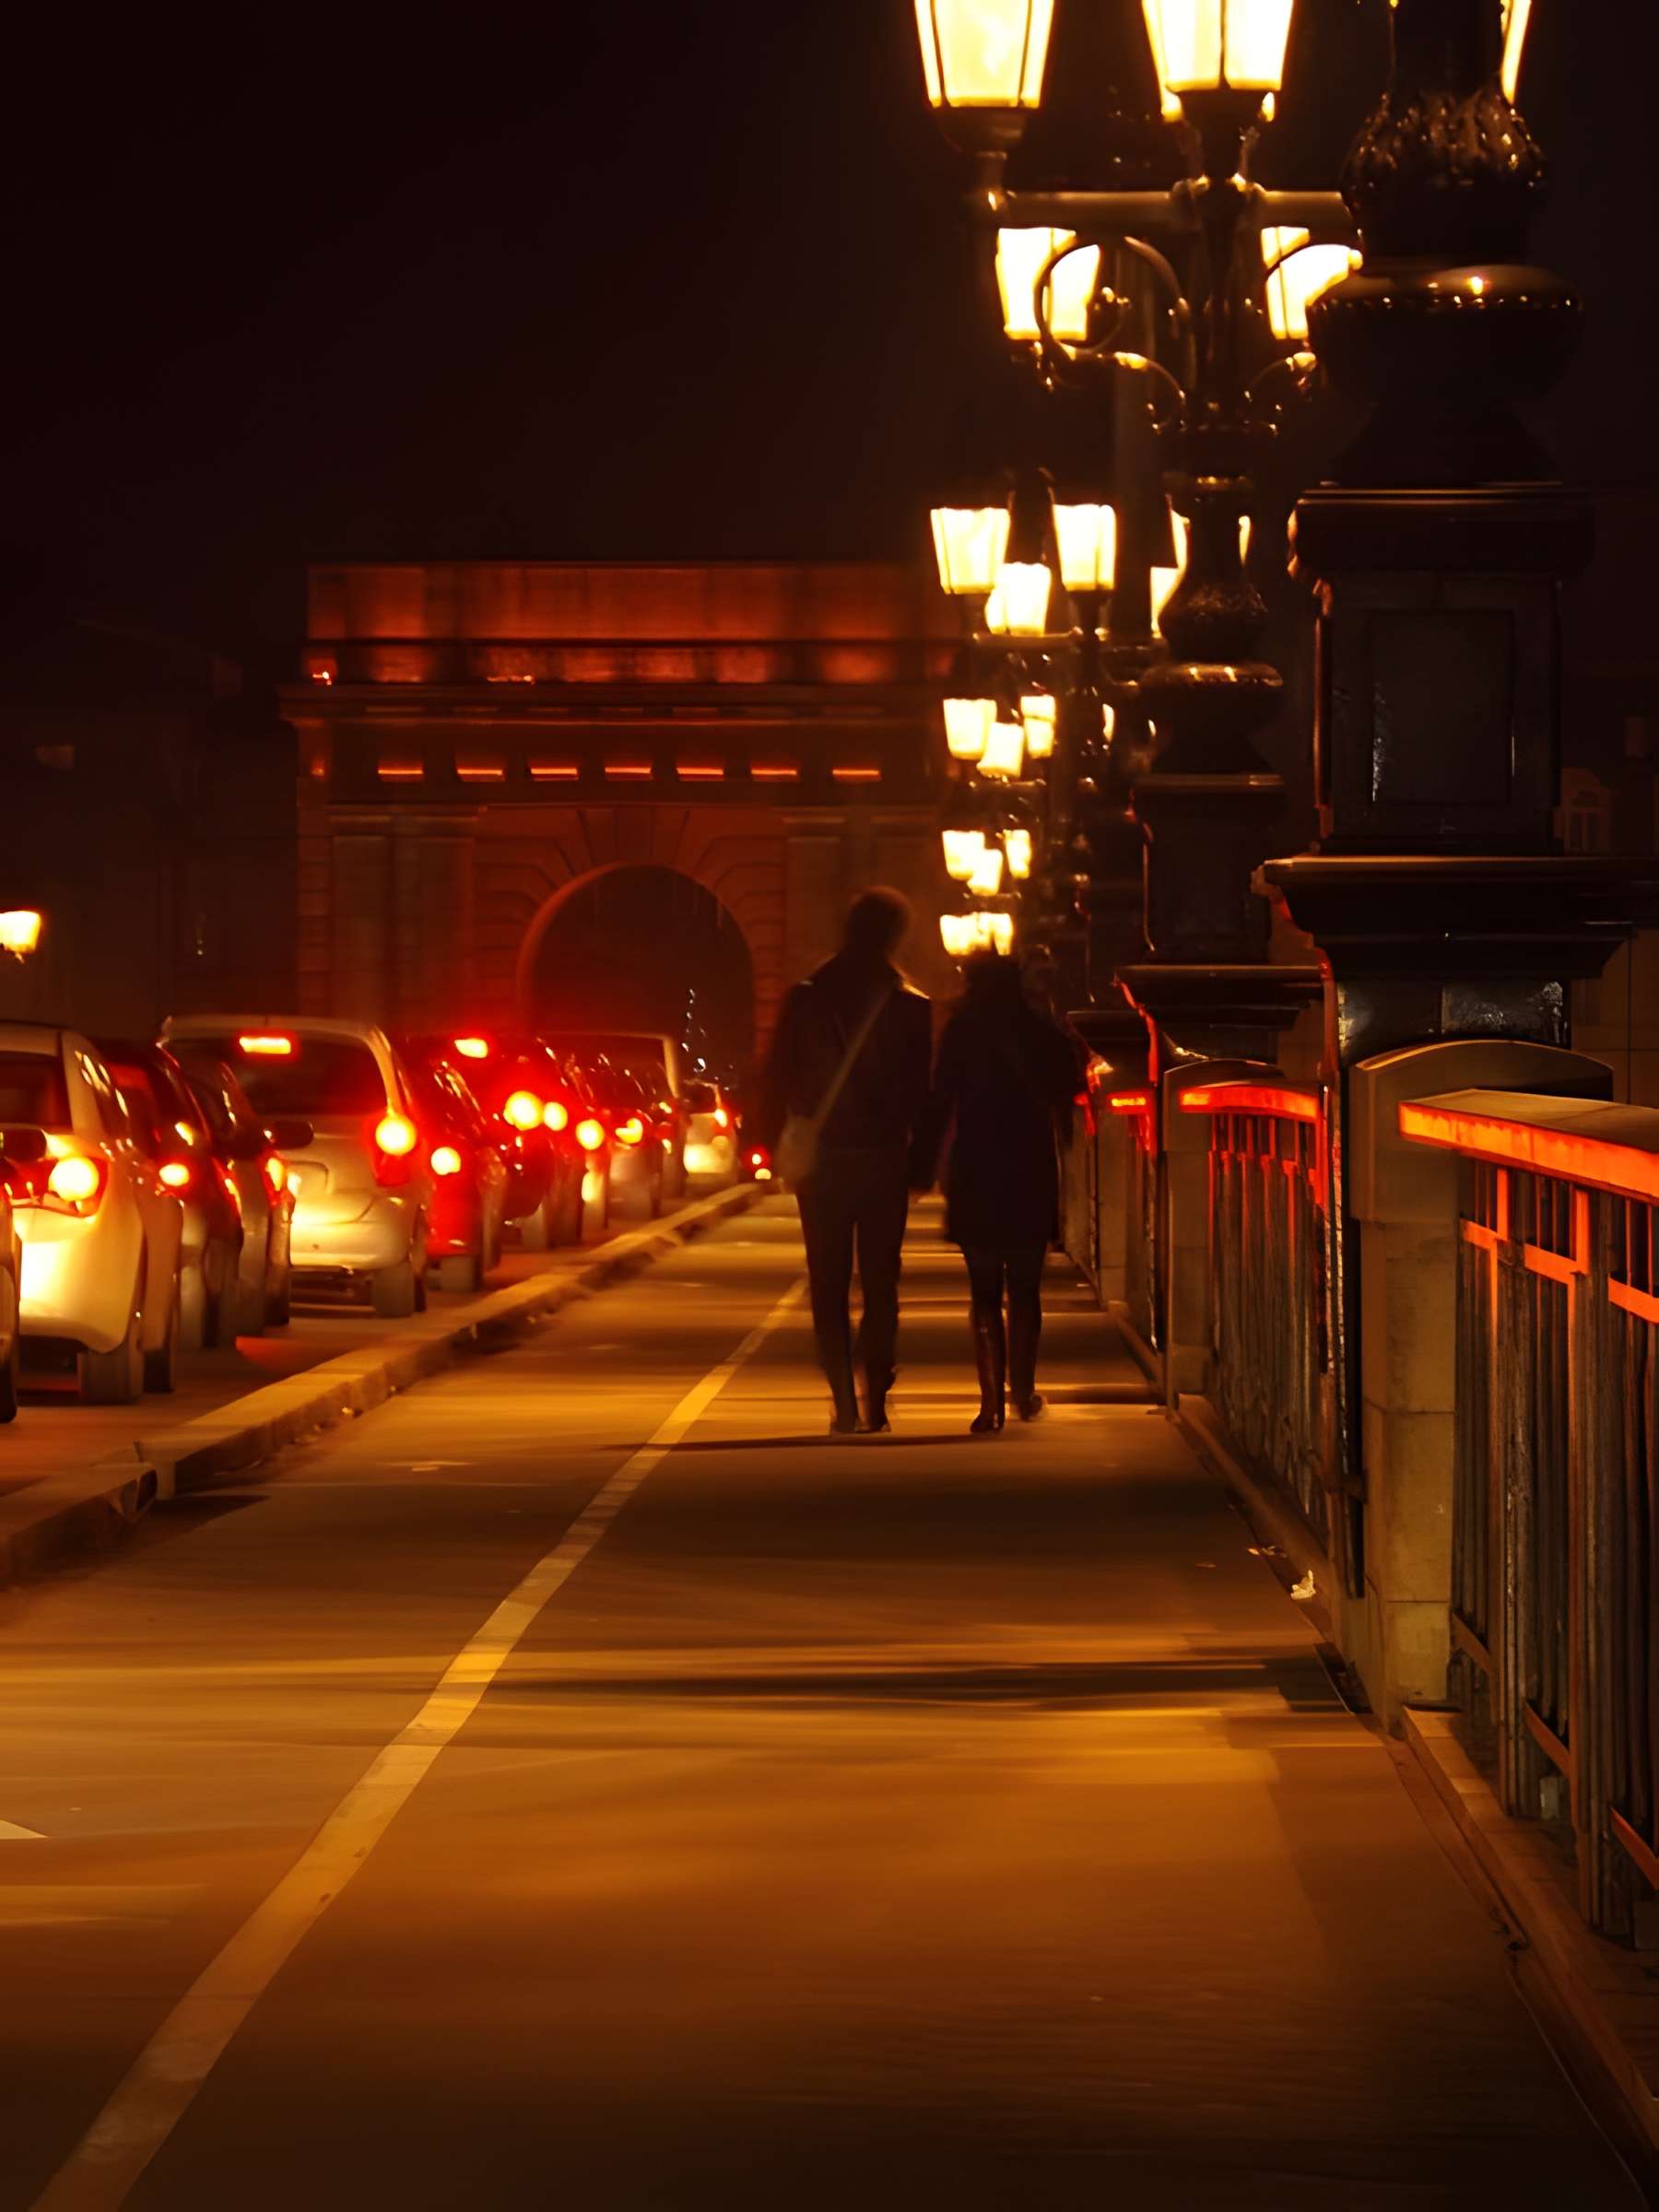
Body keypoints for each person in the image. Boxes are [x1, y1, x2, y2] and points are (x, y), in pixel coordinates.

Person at [754, 888, 932, 1435]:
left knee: (827, 1281)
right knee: (881, 1282)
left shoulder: (805, 998)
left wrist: (762, 1139)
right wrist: (921, 1166)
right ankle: (877, 1392)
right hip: (883, 1158)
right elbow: (920, 1094)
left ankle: (842, 1400)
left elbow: (776, 1075)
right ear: (894, 936)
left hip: (825, 1158)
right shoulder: (910, 1006)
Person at [917, 953, 1080, 1434]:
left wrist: (922, 1167)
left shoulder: (962, 1032)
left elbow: (939, 1101)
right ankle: (1023, 1392)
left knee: (983, 1290)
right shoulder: (1039, 1031)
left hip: (977, 1170)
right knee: (1026, 1289)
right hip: (1029, 1170)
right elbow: (1068, 1088)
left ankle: (989, 1404)